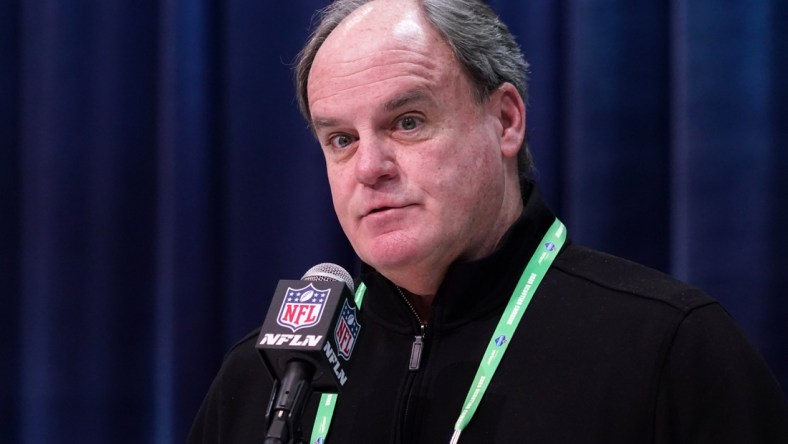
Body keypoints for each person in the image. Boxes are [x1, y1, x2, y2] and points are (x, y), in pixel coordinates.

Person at [187, 0, 788, 442]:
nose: (369, 167)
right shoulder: (266, 383)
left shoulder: (671, 347)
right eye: (340, 138)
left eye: (408, 122)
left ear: (504, 120)